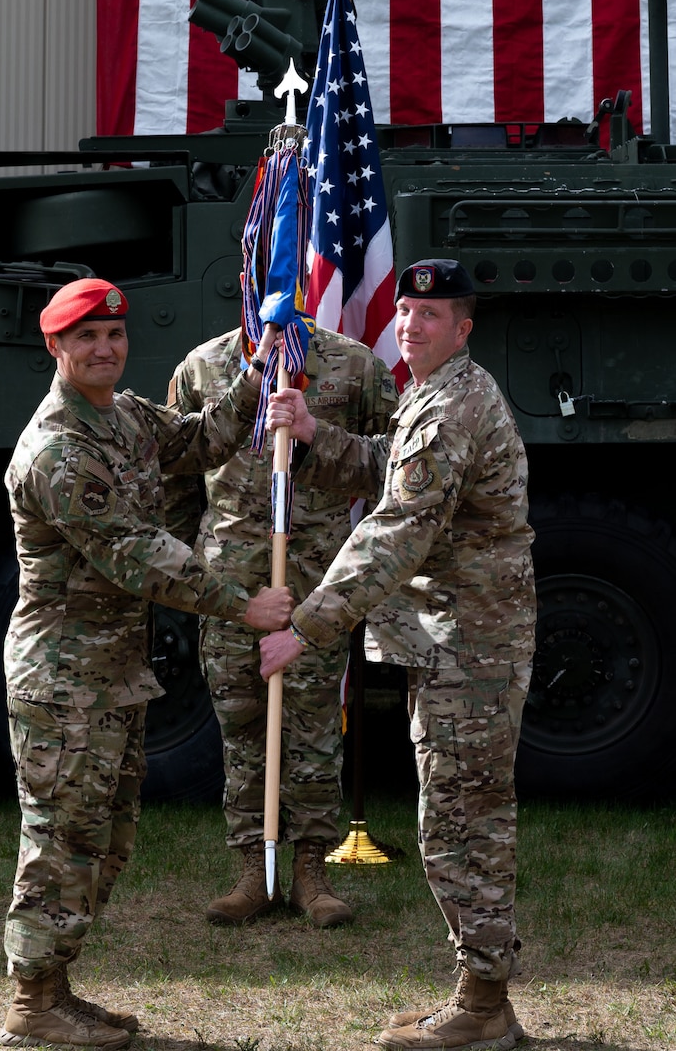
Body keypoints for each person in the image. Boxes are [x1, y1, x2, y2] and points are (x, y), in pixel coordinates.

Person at [0, 277, 293, 1051]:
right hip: (63, 680)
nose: (105, 348)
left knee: (104, 837)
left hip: (111, 671)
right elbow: (139, 555)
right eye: (87, 337)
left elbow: (197, 441)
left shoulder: (123, 416)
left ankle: (58, 986)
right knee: (62, 839)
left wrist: (259, 368)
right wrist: (244, 603)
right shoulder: (61, 450)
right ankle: (32, 1004)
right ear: (55, 347)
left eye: (115, 336)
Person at [261, 259, 536, 1051]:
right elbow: (395, 470)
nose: (412, 325)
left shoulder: (454, 404)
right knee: (458, 817)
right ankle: (481, 995)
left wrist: (306, 624)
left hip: (470, 649)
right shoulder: (436, 394)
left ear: (464, 329)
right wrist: (316, 436)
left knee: (463, 824)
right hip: (454, 640)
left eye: (432, 315)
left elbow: (396, 529)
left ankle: (483, 1006)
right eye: (407, 312)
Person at [164, 320, 398, 928]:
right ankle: (251, 870)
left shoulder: (354, 364)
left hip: (315, 584)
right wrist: (191, 575)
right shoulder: (202, 368)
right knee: (242, 727)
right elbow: (178, 476)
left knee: (315, 729)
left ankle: (310, 873)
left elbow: (392, 468)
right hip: (230, 588)